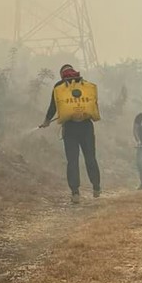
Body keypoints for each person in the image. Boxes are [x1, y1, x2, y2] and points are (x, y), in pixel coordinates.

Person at [39, 64, 101, 204]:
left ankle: (75, 193)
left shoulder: (59, 86)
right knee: (90, 157)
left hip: (70, 128)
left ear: (62, 74)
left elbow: (53, 106)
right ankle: (96, 187)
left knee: (72, 161)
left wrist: (47, 120)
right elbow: (93, 103)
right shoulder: (84, 85)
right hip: (86, 127)